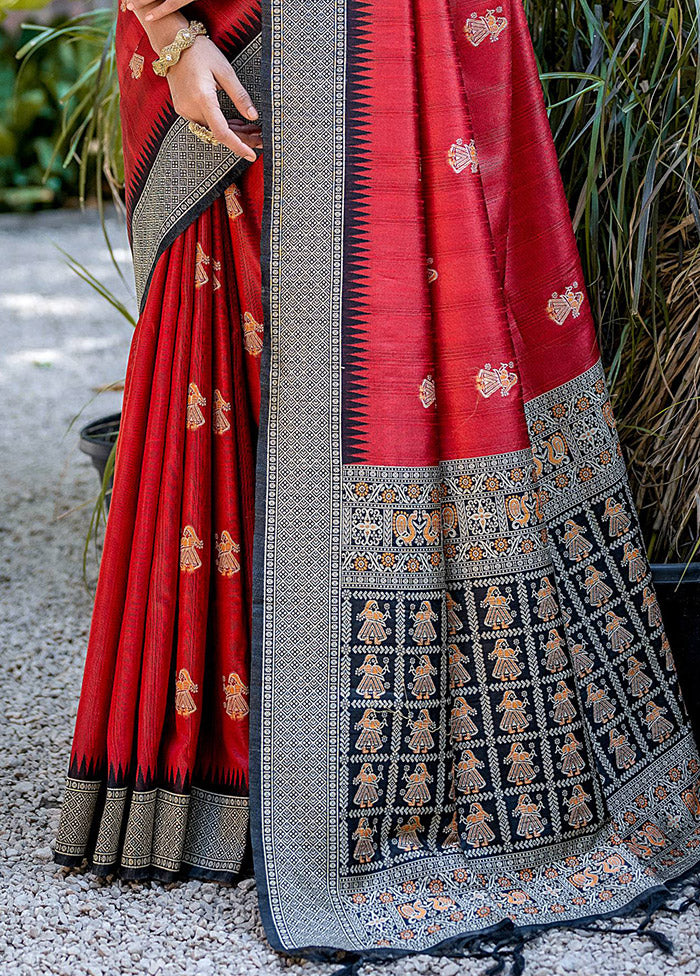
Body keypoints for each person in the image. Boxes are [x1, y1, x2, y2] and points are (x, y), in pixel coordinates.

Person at [54, 0, 700, 969]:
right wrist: (171, 35)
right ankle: (214, 795)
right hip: (260, 39)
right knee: (261, 353)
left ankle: (424, 785)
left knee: (430, 354)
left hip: (434, 44)